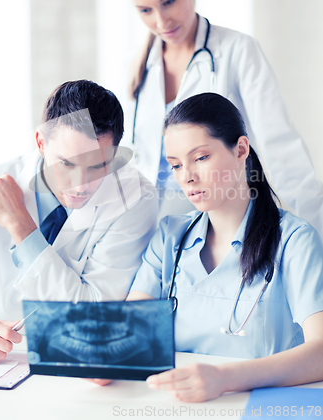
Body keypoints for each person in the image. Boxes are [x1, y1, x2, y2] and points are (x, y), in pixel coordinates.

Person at [125, 92, 323, 402]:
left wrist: (224, 379)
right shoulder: (169, 237)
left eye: (201, 158)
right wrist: (101, 361)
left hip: (263, 406)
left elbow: (321, 352)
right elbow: (129, 332)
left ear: (241, 149)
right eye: (175, 166)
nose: (187, 177)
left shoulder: (295, 240)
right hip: (178, 405)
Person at [121, 0, 323, 233]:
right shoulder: (135, 65)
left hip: (223, 214)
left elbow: (280, 147)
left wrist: (316, 223)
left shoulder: (238, 51)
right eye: (145, 10)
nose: (161, 21)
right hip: (151, 219)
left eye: (169, 2)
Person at [0, 79, 158, 365]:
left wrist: (22, 227)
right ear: (41, 142)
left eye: (98, 166)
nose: (80, 186)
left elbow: (93, 316)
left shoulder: (136, 198)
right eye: (66, 164)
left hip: (80, 364)